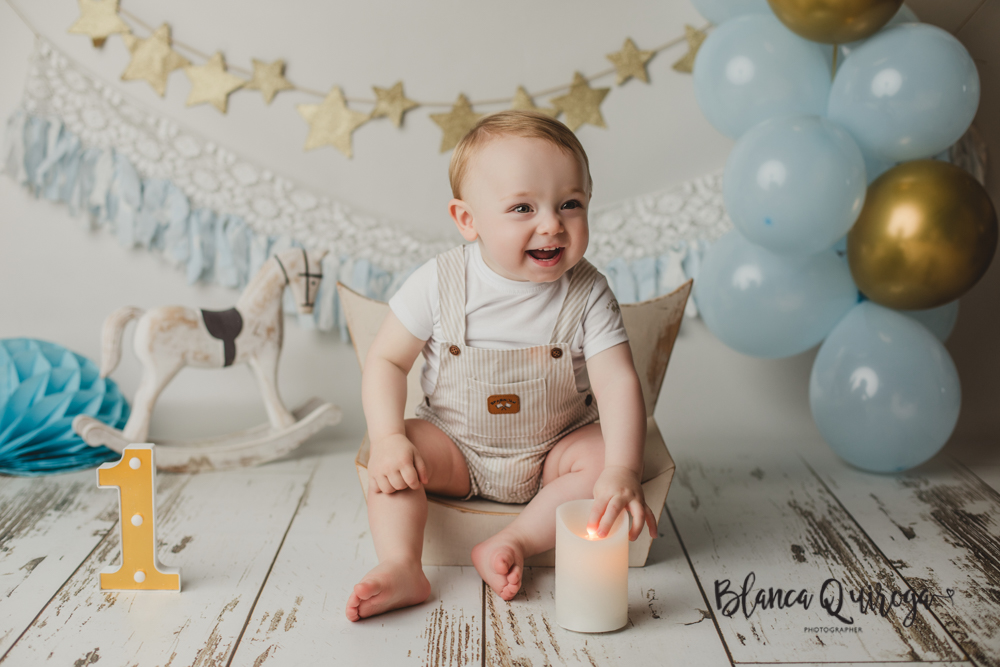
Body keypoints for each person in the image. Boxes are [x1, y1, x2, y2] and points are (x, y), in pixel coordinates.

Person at [346, 110, 656, 622]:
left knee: (609, 455)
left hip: (555, 448)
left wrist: (622, 469)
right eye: (522, 207)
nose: (552, 224)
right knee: (391, 464)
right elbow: (385, 360)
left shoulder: (588, 290)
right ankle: (403, 564)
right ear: (468, 220)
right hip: (455, 445)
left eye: (570, 204)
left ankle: (512, 541)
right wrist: (387, 438)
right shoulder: (438, 282)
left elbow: (616, 379)